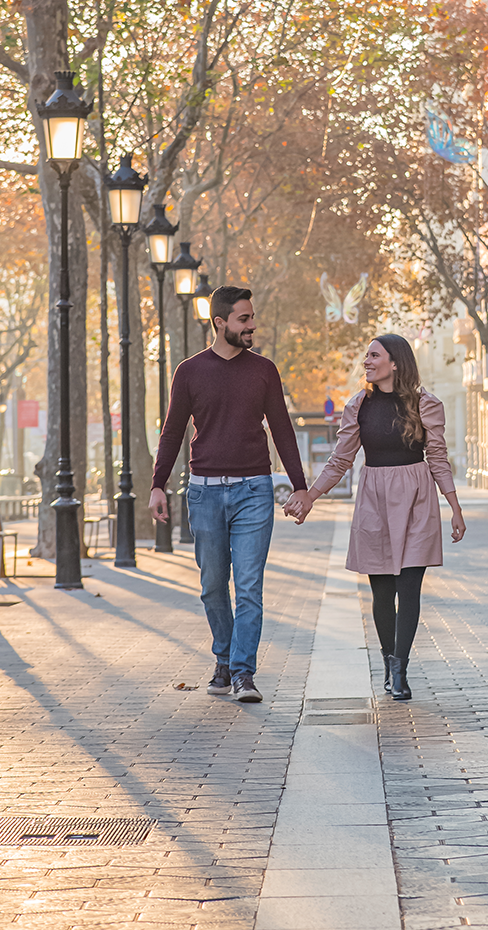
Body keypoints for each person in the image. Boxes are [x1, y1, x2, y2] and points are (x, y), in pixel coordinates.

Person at [149, 285, 308, 703]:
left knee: (250, 586)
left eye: (252, 317)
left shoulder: (264, 370)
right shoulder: (189, 371)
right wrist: (156, 485)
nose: (252, 325)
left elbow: (282, 430)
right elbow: (172, 432)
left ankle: (242, 672)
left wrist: (300, 485)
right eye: (243, 319)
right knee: (213, 586)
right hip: (204, 494)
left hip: (254, 489)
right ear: (220, 323)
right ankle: (223, 656)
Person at [284, 334, 465, 700]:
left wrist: (455, 507)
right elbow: (341, 460)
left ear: (395, 362)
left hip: (416, 499)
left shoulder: (425, 404)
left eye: (374, 355)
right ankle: (388, 662)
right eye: (366, 354)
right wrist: (311, 496)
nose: (366, 361)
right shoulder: (358, 407)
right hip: (374, 501)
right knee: (382, 592)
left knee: (409, 587)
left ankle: (400, 669)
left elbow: (438, 458)